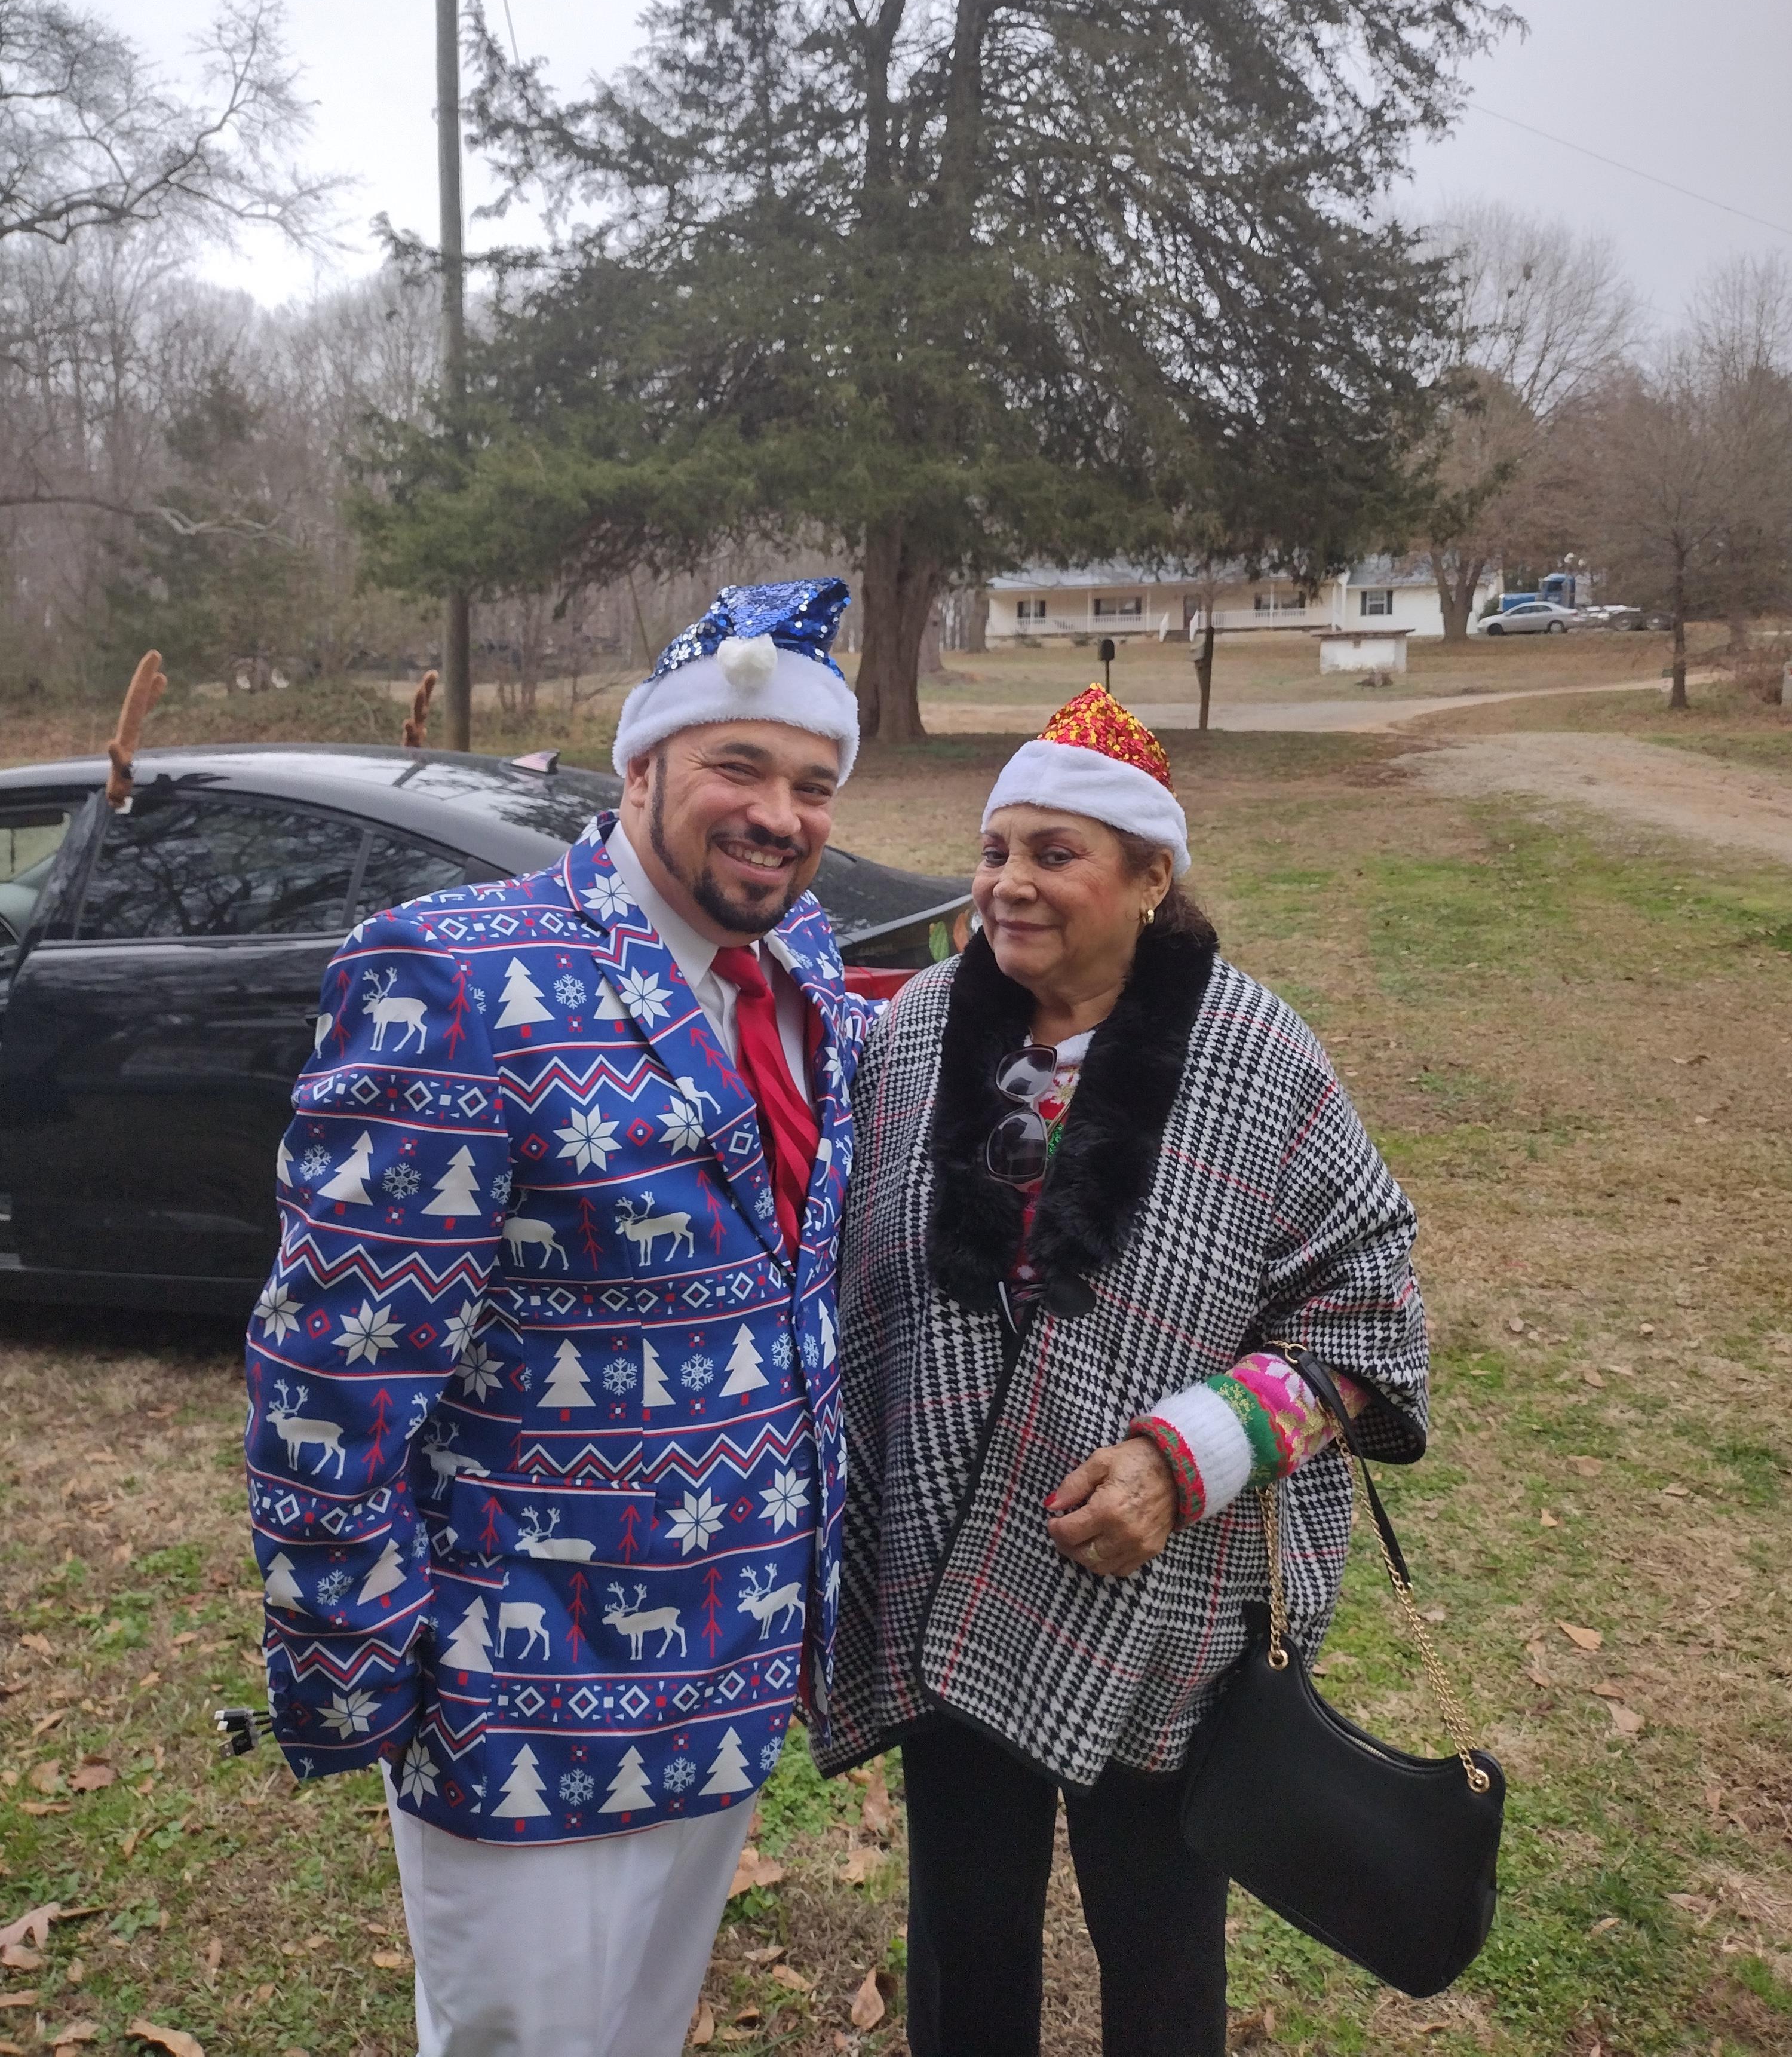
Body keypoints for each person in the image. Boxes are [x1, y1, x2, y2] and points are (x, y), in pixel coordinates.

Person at [244, 580, 875, 2057]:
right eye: (738, 766)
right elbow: (334, 1369)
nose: (777, 813)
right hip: (519, 1674)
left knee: (641, 2033)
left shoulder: (807, 974)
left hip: (736, 1654)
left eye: (812, 783)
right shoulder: (456, 970)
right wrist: (355, 1661)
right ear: (640, 768)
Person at [823, 685, 1429, 2057]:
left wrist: (1185, 1454)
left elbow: (1368, 1316)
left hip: (1159, 1588)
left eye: (1054, 852)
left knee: (1158, 1943)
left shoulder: (1257, 1055)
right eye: (995, 851)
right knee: (963, 1934)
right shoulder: (916, 1033)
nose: (1009, 885)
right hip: (943, 1560)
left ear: (1152, 876)